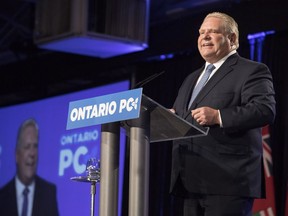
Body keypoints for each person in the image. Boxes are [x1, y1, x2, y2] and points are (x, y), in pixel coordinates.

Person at [169, 12, 276, 216]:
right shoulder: (191, 78)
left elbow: (265, 110)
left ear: (232, 39)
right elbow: (182, 117)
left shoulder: (251, 70)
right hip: (190, 181)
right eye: (201, 32)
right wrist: (169, 117)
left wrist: (219, 116)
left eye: (213, 32)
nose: (205, 36)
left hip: (228, 181)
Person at [0, 118, 59, 216]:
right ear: (17, 155)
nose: (32, 153)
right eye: (27, 147)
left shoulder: (49, 193)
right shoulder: (2, 197)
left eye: (35, 146)